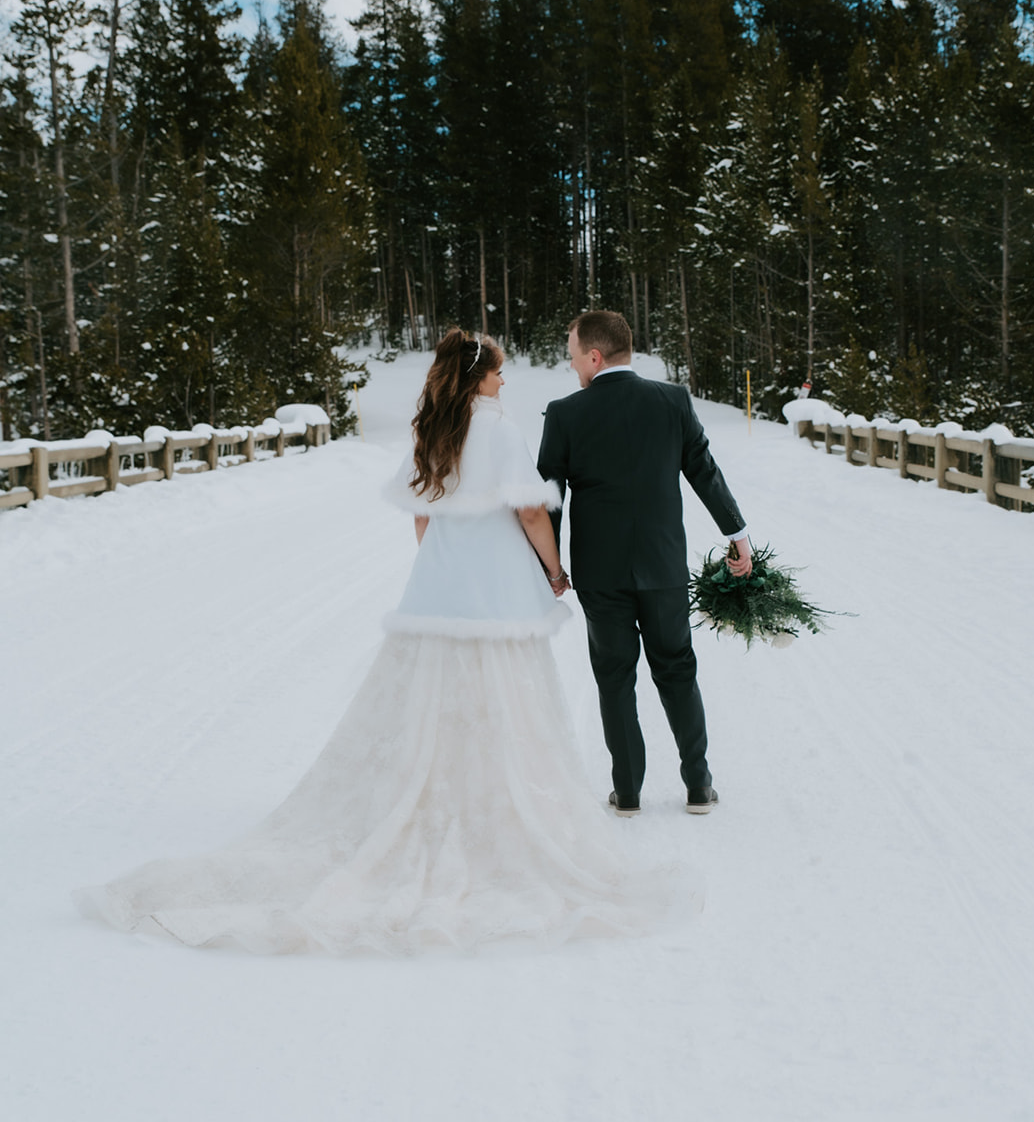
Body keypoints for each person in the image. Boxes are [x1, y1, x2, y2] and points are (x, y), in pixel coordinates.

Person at [76, 329, 685, 954]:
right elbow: (530, 512)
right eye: (499, 373)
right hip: (497, 589)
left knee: (430, 694)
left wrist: (440, 565)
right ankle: (491, 802)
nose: (505, 382)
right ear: (478, 377)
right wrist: (554, 571)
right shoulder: (500, 431)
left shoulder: (432, 431)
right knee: (502, 694)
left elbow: (422, 514)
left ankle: (425, 796)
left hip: (440, 587)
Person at [537, 310, 752, 818]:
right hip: (662, 567)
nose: (572, 368)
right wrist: (737, 533)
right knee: (677, 669)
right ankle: (699, 787)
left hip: (600, 573)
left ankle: (628, 793)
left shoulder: (565, 413)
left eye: (573, 358)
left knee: (615, 677)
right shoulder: (672, 400)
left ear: (594, 356)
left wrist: (548, 567)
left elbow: (548, 499)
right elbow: (703, 469)